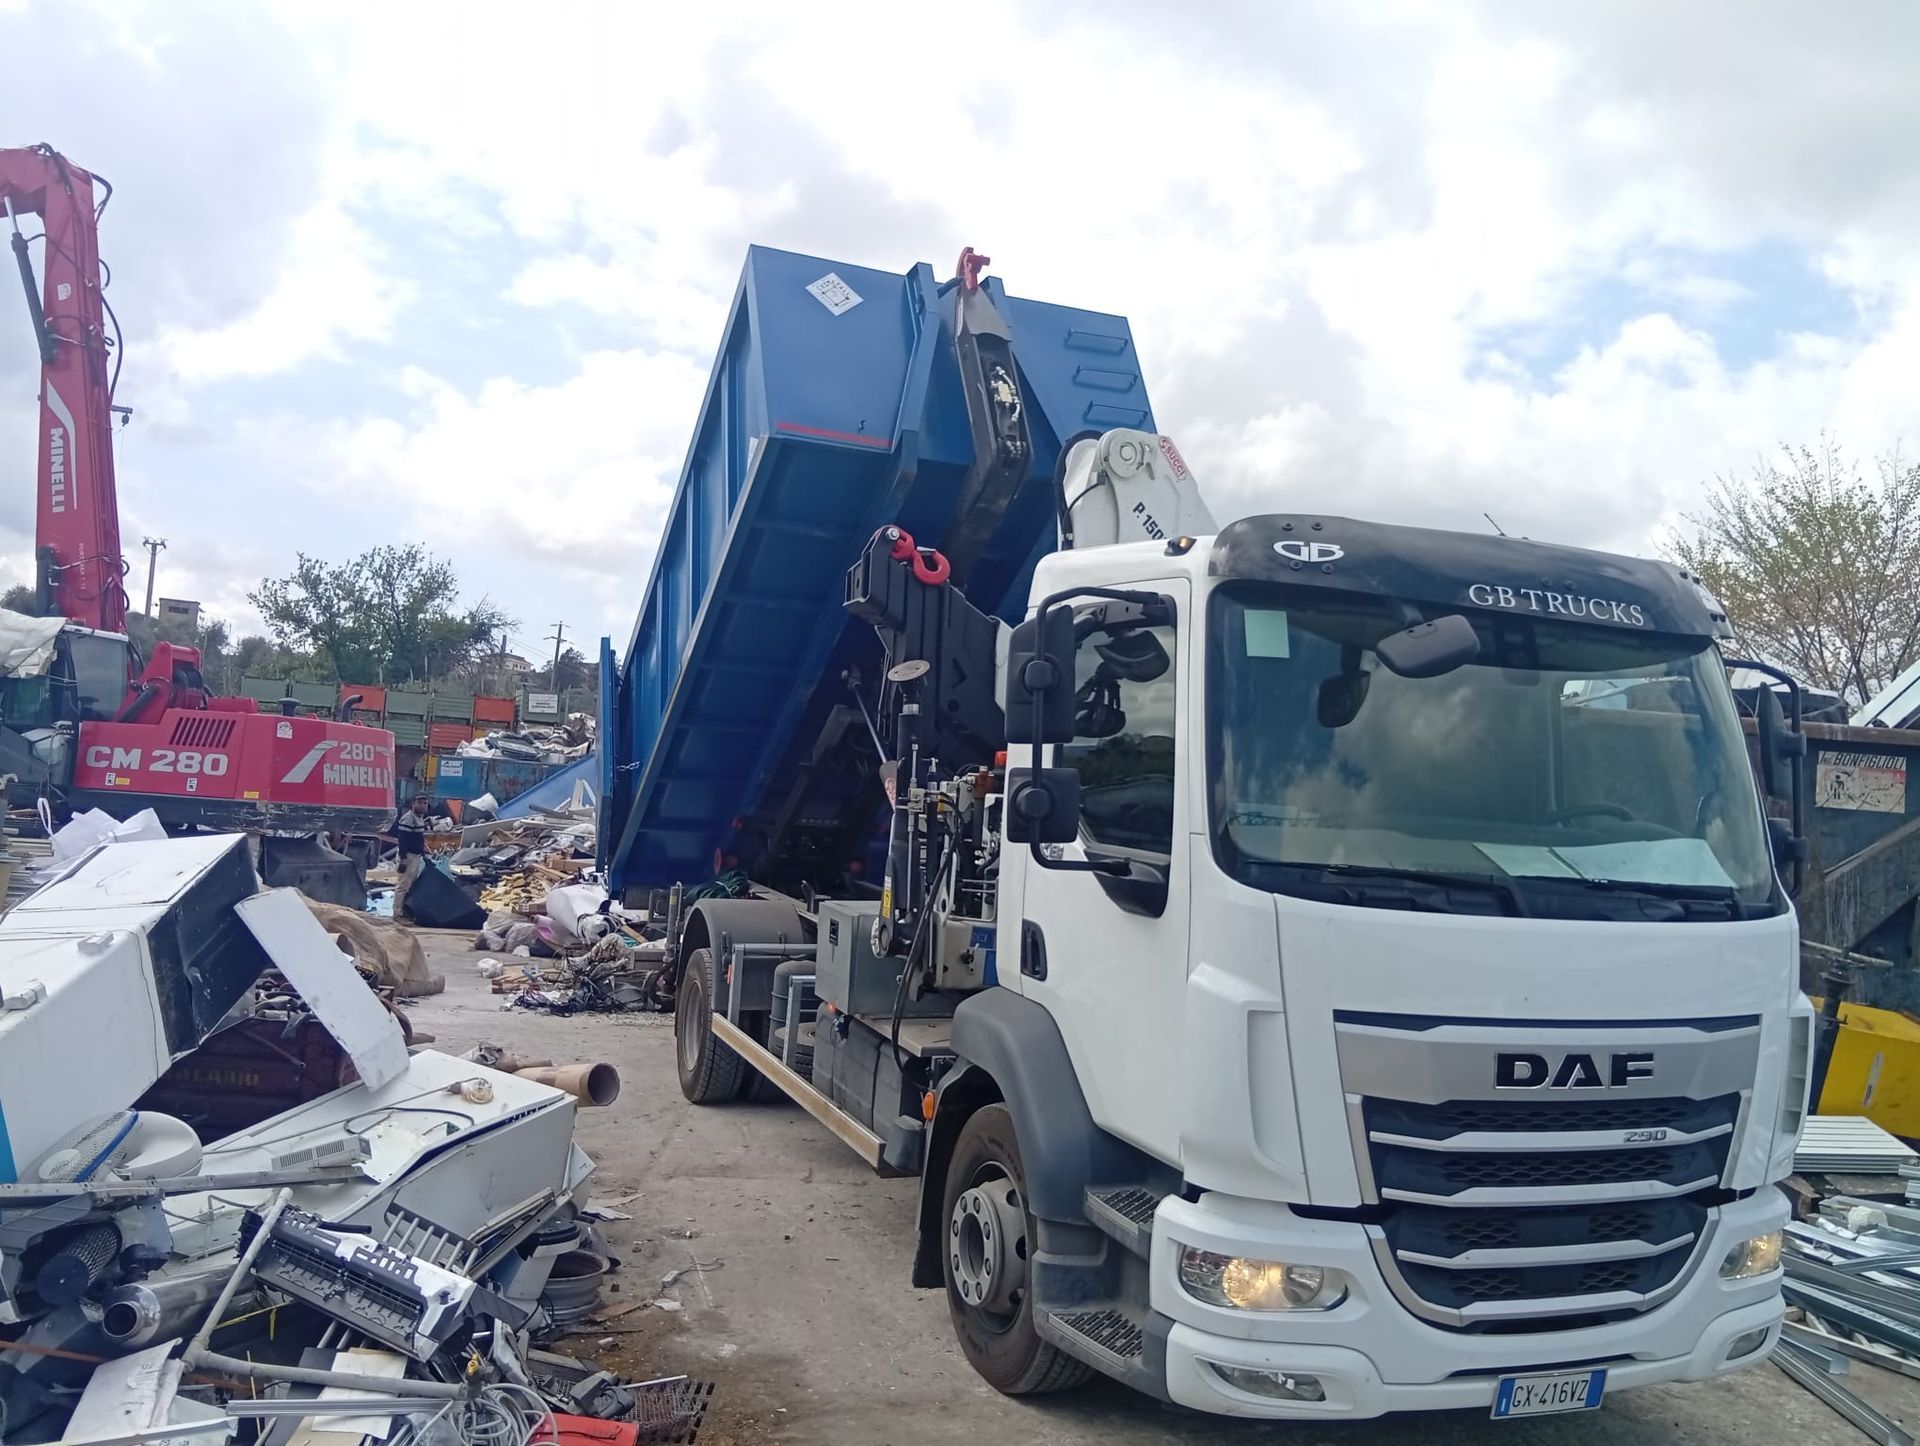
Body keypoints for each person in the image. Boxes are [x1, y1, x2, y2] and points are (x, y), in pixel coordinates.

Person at [393, 792, 430, 922]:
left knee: (411, 886)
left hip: (415, 856)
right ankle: (397, 914)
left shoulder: (419, 818)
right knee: (402, 886)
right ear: (413, 804)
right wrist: (403, 859)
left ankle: (406, 912)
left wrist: (423, 853)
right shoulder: (408, 818)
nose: (422, 805)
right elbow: (403, 840)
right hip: (408, 856)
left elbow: (418, 839)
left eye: (425, 803)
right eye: (419, 802)